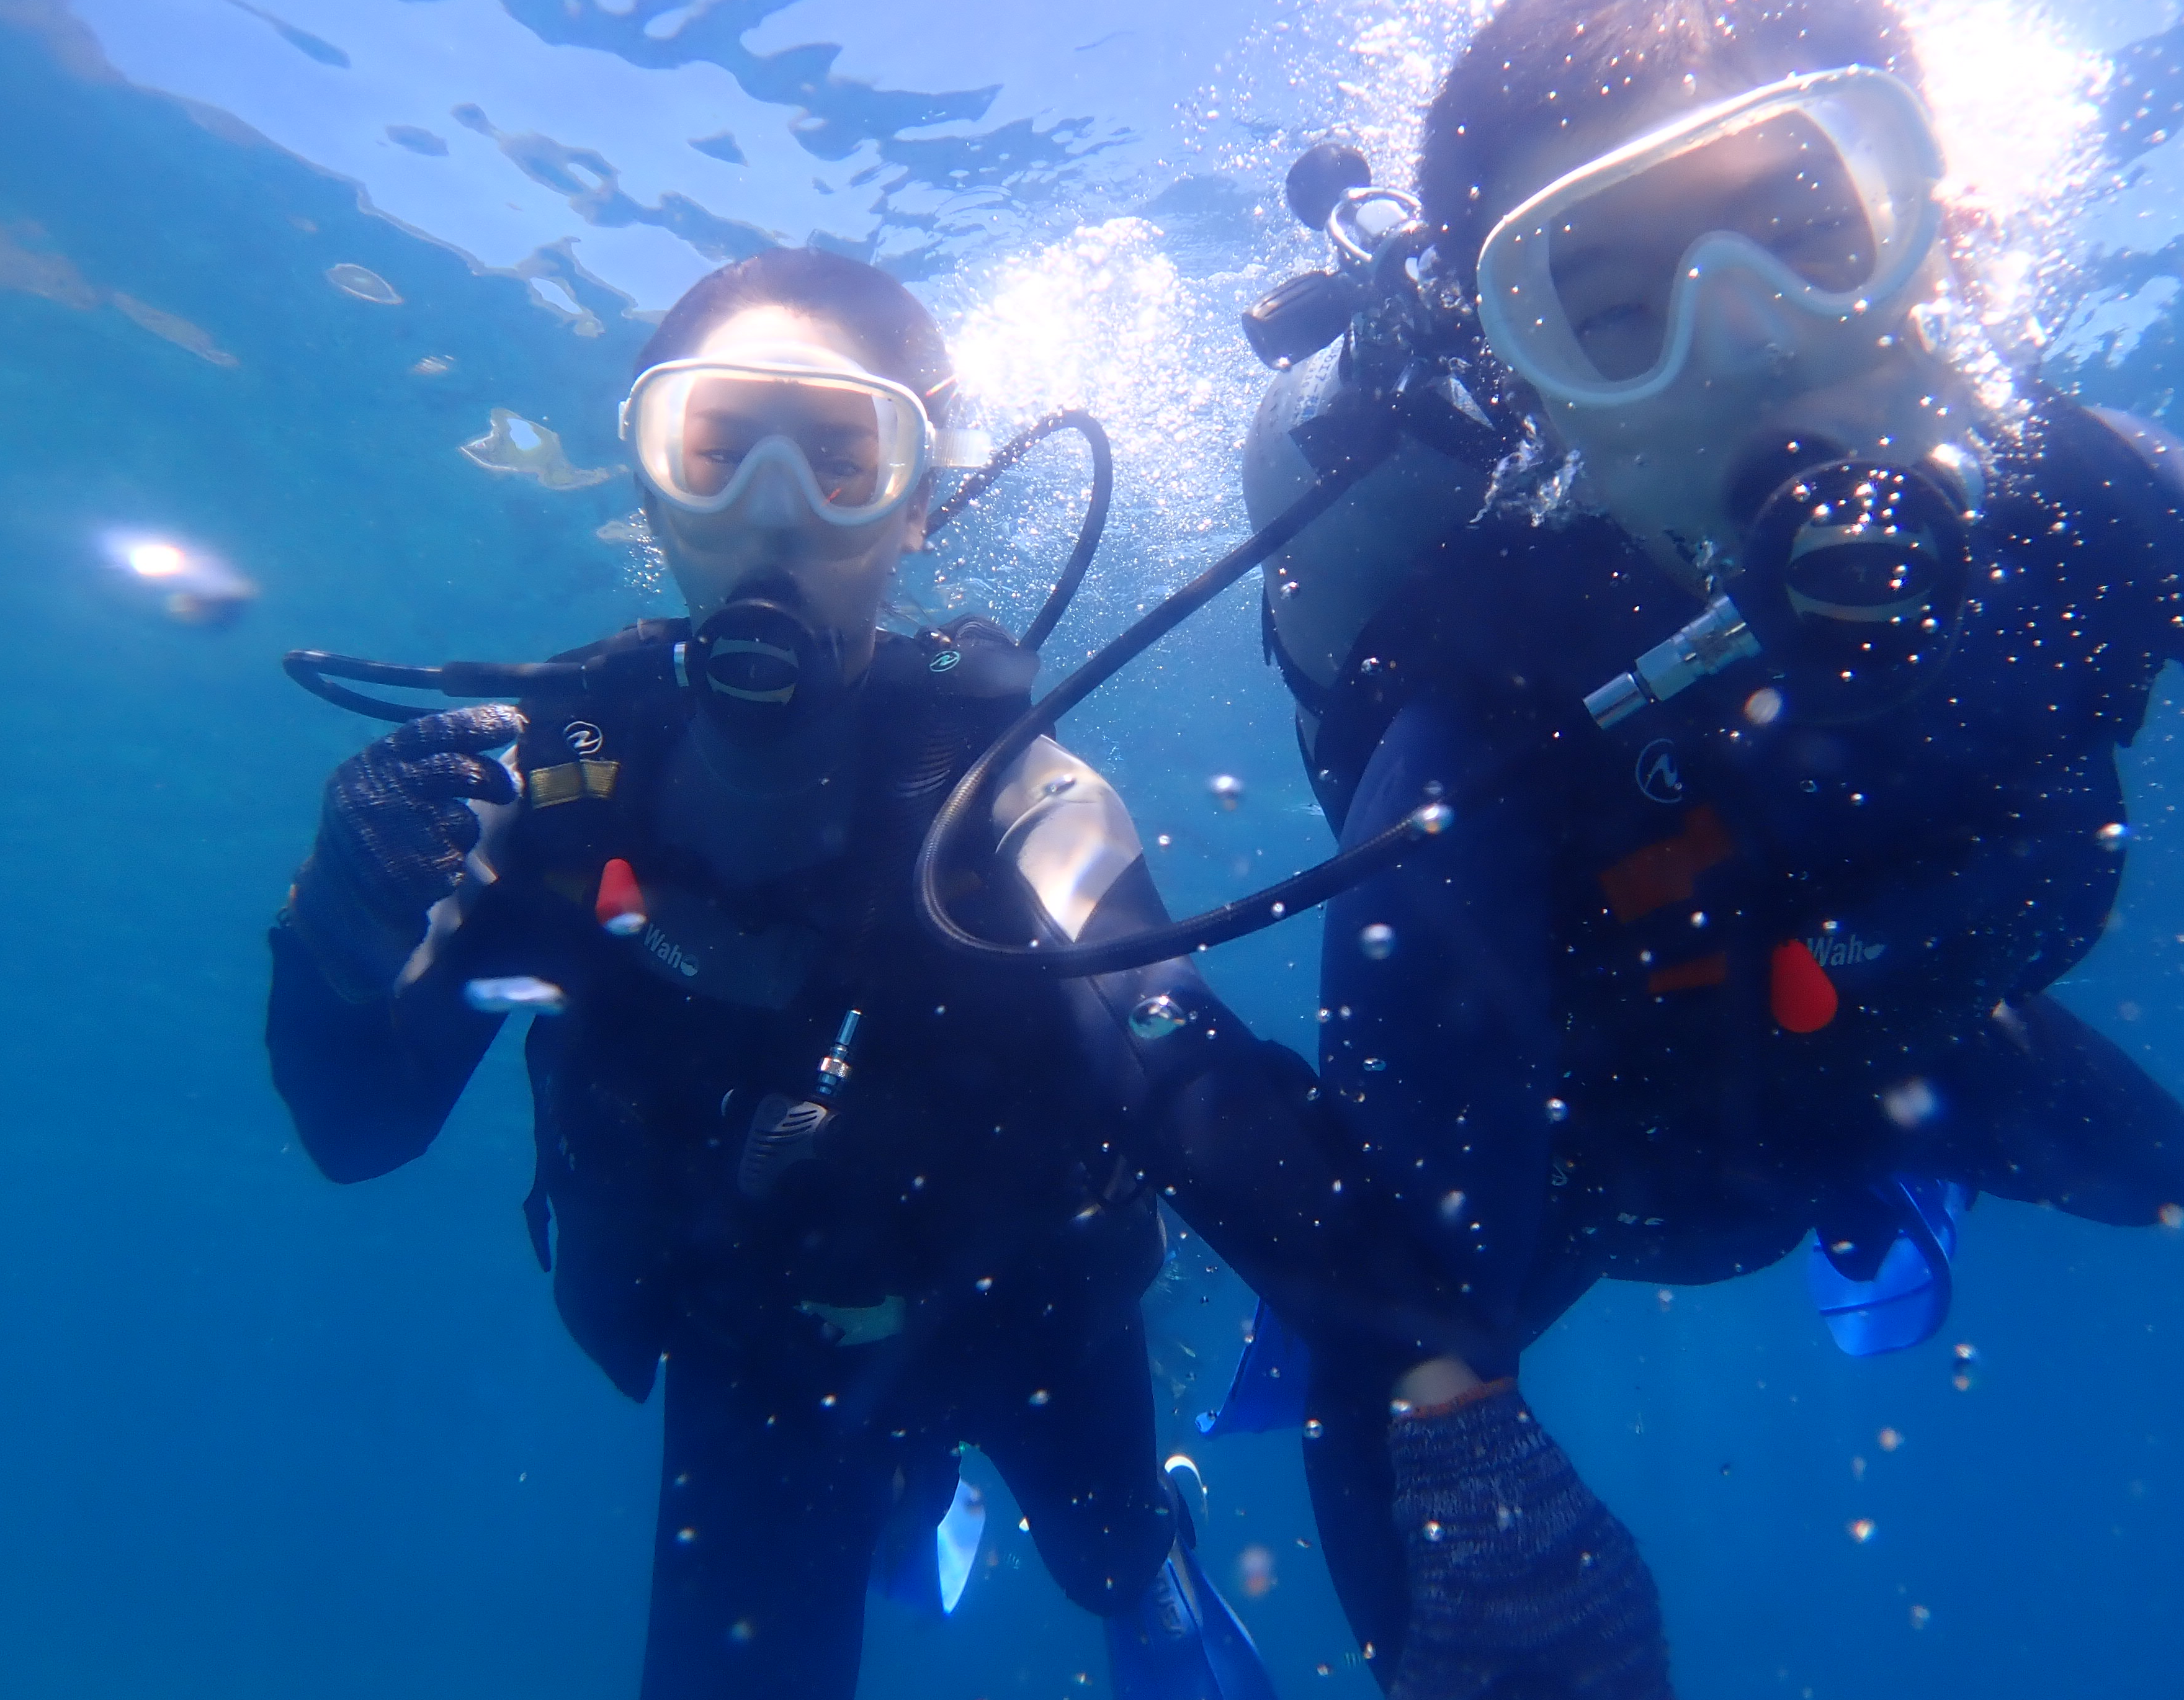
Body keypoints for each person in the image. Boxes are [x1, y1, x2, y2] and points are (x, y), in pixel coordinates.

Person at [1234, 0, 2184, 1698]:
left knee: (2162, 1177)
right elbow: (1405, 1314)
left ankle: (1887, 1171)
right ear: (1520, 378)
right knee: (1414, 1344)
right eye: (1609, 312)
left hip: (1912, 1028)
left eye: (1803, 234)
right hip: (1630, 1165)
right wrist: (1472, 1545)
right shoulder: (1486, 719)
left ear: (1944, 231)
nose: (1745, 351)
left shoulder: (2086, 498)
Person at [267, 248, 1372, 1700]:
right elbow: (358, 1131)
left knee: (1105, 1559)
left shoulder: (1012, 788)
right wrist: (339, 928)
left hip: (1031, 1316)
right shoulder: (550, 787)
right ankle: (915, 1510)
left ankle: (1140, 1569)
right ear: (649, 485)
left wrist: (1427, 1369)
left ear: (918, 502)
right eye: (717, 452)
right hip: (756, 1358)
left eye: (841, 462)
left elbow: (1182, 1061)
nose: (774, 515)